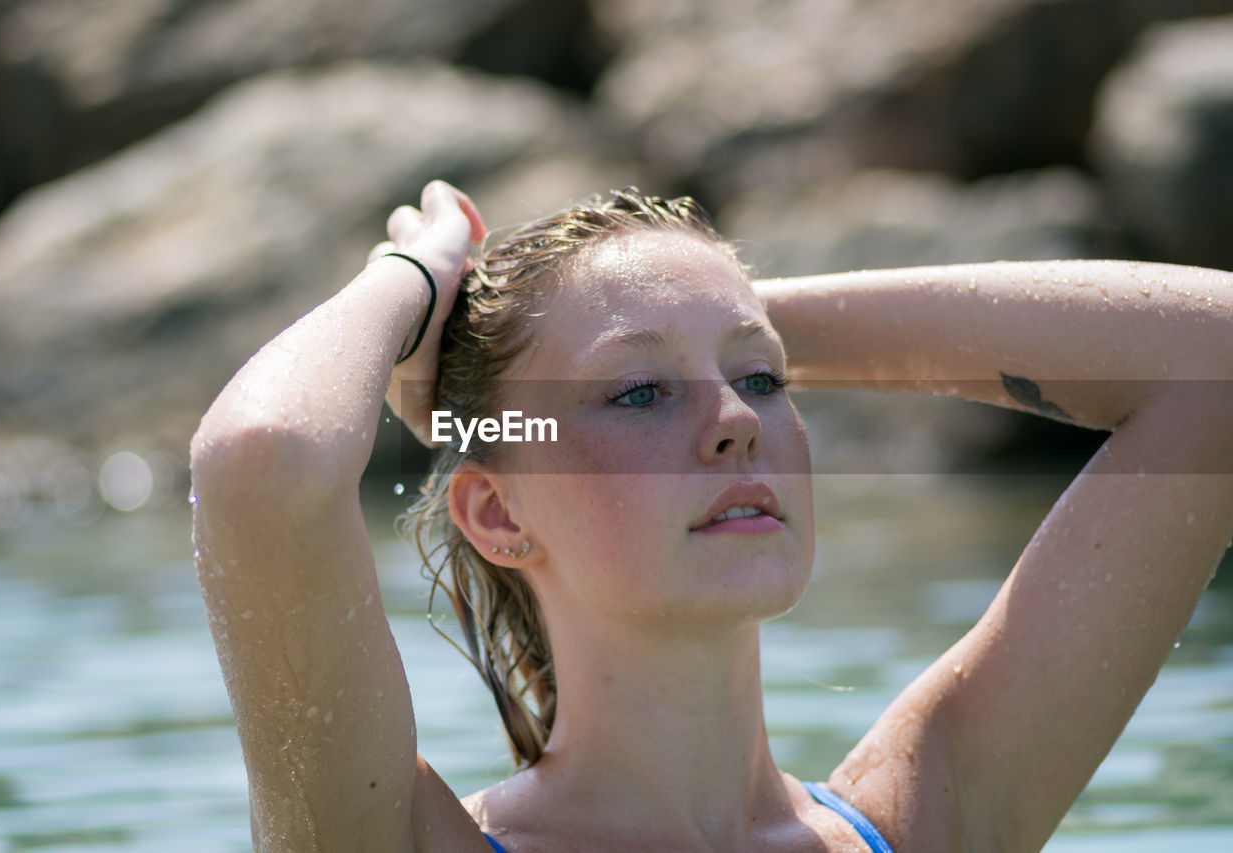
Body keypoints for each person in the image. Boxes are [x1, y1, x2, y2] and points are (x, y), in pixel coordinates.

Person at [189, 179, 1233, 852]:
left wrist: (716, 306)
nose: (735, 422)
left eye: (762, 382)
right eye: (639, 393)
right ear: (500, 509)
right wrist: (413, 277)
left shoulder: (921, 818)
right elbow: (262, 461)